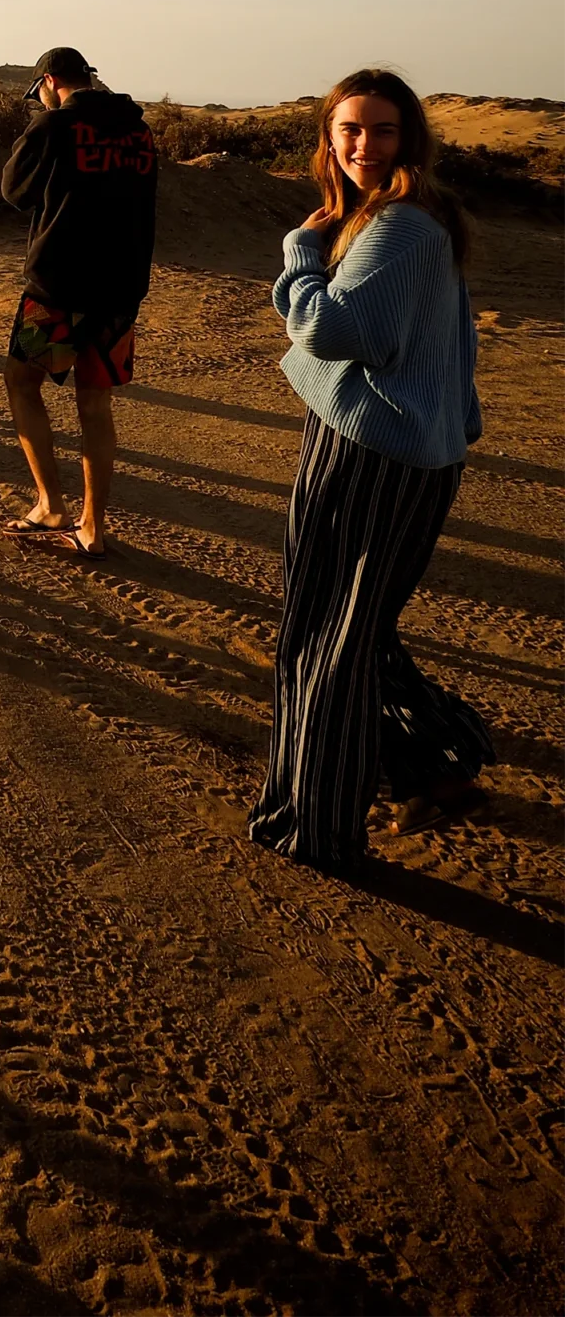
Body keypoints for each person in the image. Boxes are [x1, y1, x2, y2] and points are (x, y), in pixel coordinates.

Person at [249, 70, 491, 870]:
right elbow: (449, 343)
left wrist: (299, 252)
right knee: (356, 631)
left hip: (370, 455)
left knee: (323, 641)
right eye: (348, 129)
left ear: (408, 139)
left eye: (381, 130)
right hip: (411, 452)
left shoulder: (398, 227)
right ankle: (438, 760)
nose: (362, 145)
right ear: (328, 136)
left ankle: (314, 828)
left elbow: (326, 330)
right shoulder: (413, 219)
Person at [0, 46, 157, 557]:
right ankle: (93, 528)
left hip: (57, 288)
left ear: (48, 82)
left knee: (23, 383)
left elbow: (13, 191)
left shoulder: (54, 126)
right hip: (119, 290)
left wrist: (45, 122)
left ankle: (50, 505)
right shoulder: (138, 129)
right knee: (95, 402)